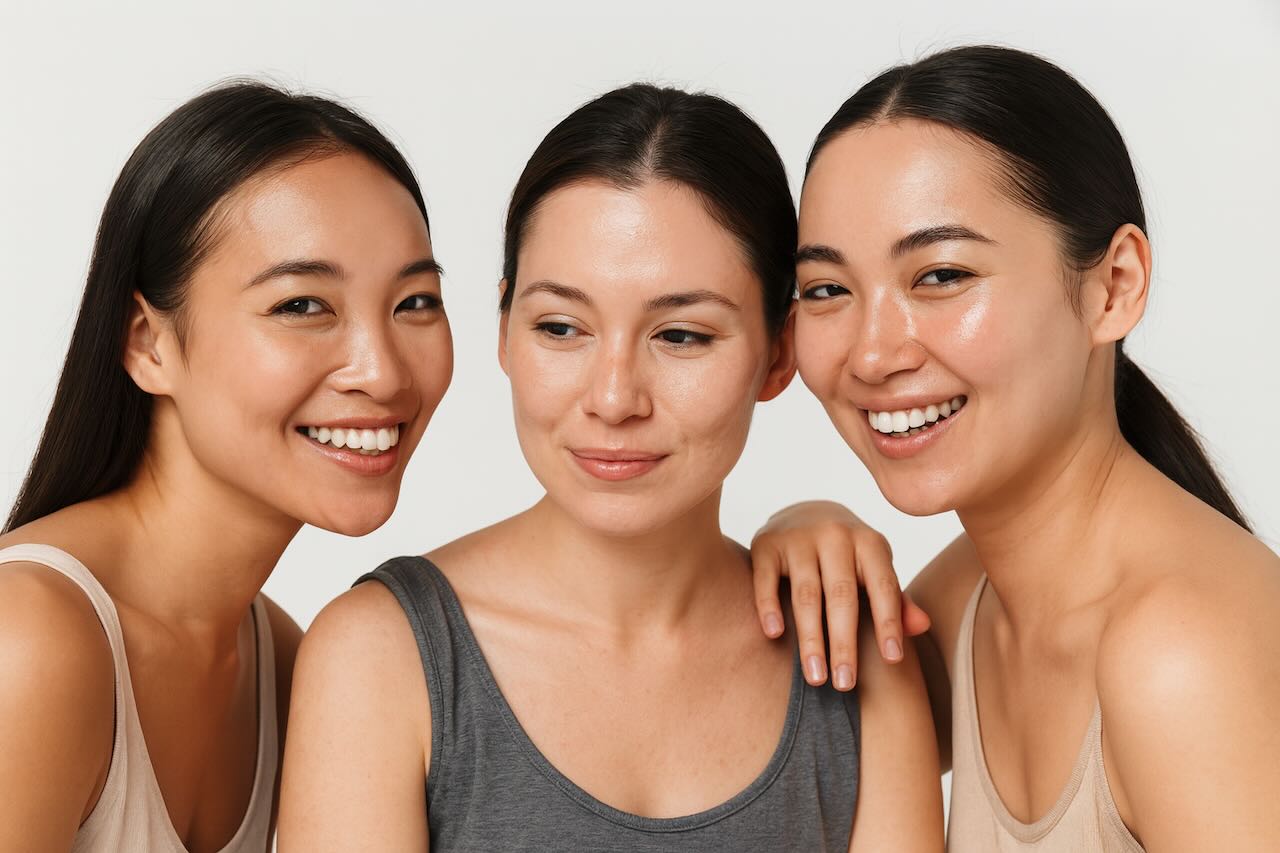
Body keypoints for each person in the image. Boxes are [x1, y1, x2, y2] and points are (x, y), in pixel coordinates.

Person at [280, 83, 943, 852]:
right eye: (561, 327)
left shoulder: (852, 654)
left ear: (779, 352)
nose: (614, 397)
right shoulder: (381, 657)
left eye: (683, 336)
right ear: (502, 329)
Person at [752, 45, 1280, 850]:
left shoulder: (1180, 653)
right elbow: (806, 742)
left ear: (1115, 286)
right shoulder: (977, 592)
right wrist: (801, 525)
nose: (870, 352)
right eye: (828, 289)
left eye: (940, 275)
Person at [0, 82, 453, 852]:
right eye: (303, 305)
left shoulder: (283, 660)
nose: (382, 372)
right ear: (147, 342)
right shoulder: (29, 641)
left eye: (414, 301)